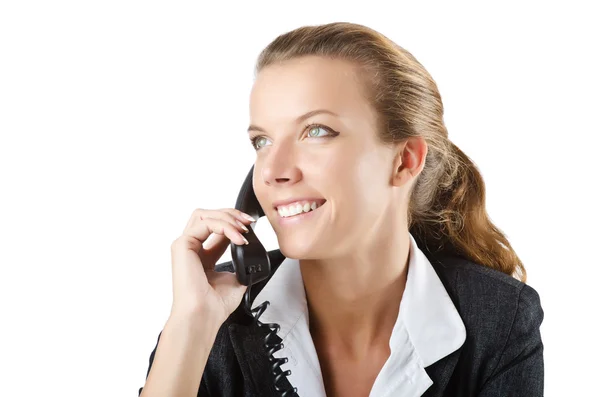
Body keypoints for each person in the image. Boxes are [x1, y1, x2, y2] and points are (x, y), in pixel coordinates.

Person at [137, 22, 544, 397]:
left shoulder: (500, 319)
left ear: (404, 161)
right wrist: (191, 327)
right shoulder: (217, 311)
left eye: (316, 131)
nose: (273, 171)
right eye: (261, 141)